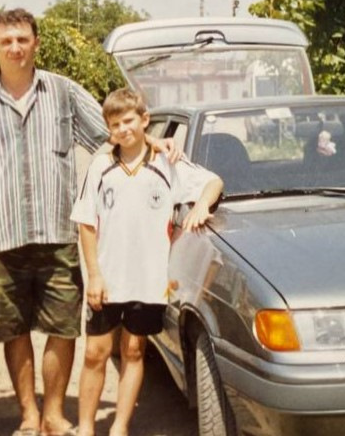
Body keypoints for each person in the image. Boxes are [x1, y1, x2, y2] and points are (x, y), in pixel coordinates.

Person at [0, 8, 175, 436]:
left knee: (63, 329)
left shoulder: (63, 92)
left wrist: (149, 140)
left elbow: (110, 135)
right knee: (14, 331)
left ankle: (53, 414)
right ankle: (29, 413)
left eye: (23, 39)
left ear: (36, 43)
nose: (15, 47)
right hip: (1, 238)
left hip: (59, 235)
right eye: (6, 40)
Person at [71, 89, 223, 436]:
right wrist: (94, 275)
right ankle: (85, 428)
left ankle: (120, 427)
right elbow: (86, 223)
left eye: (128, 121)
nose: (123, 130)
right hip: (107, 278)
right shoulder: (101, 165)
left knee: (134, 349)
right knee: (96, 352)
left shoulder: (167, 163)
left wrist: (201, 206)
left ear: (144, 120)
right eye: (115, 124)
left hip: (148, 279)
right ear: (109, 130)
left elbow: (213, 183)